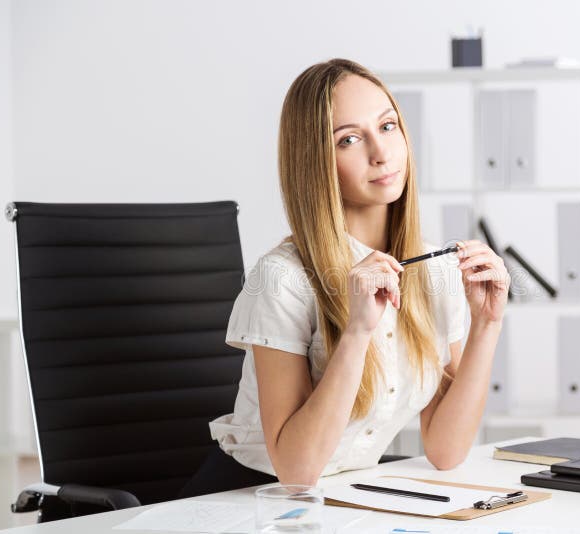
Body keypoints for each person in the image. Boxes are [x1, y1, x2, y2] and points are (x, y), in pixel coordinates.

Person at [179, 58, 510, 498]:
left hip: (346, 498)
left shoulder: (431, 273)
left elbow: (446, 449)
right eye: (349, 139)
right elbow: (295, 472)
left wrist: (487, 324)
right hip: (250, 499)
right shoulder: (282, 279)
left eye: (388, 126)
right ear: (316, 162)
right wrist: (356, 331)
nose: (380, 152)